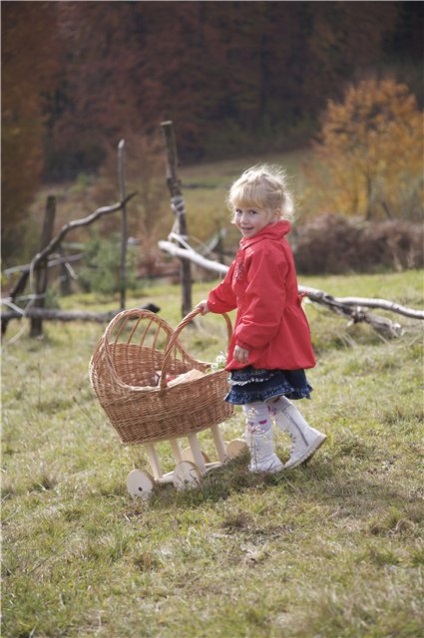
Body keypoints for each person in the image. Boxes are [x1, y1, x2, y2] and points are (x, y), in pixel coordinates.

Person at [196, 164, 326, 473]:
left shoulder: (266, 250)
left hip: (267, 336)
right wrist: (213, 303)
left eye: (252, 212)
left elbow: (264, 302)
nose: (243, 220)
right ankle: (304, 437)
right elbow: (235, 285)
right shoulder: (253, 246)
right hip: (268, 334)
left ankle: (264, 460)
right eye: (239, 211)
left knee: (254, 399)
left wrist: (247, 339)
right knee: (266, 393)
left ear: (274, 212)